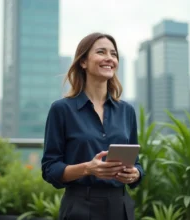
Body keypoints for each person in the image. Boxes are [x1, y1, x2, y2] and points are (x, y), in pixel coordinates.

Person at [41, 32, 144, 220]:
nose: (109, 58)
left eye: (113, 54)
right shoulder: (61, 109)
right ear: (83, 62)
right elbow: (50, 169)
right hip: (80, 207)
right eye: (101, 52)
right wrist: (88, 168)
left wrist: (135, 174)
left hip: (120, 208)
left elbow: (137, 163)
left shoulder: (126, 110)